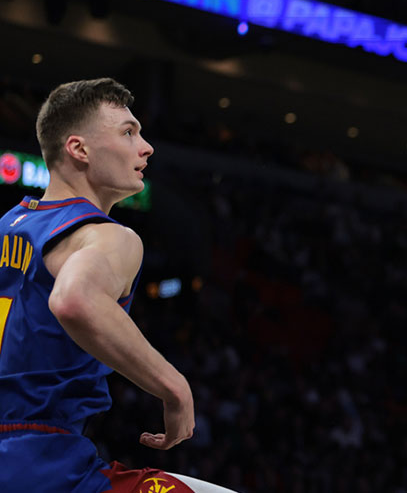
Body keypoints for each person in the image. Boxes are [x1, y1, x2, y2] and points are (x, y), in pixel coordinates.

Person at [0, 79, 236, 492]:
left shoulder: (7, 225)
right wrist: (174, 388)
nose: (146, 147)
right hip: (41, 464)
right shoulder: (110, 236)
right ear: (79, 149)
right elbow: (75, 299)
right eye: (128, 132)